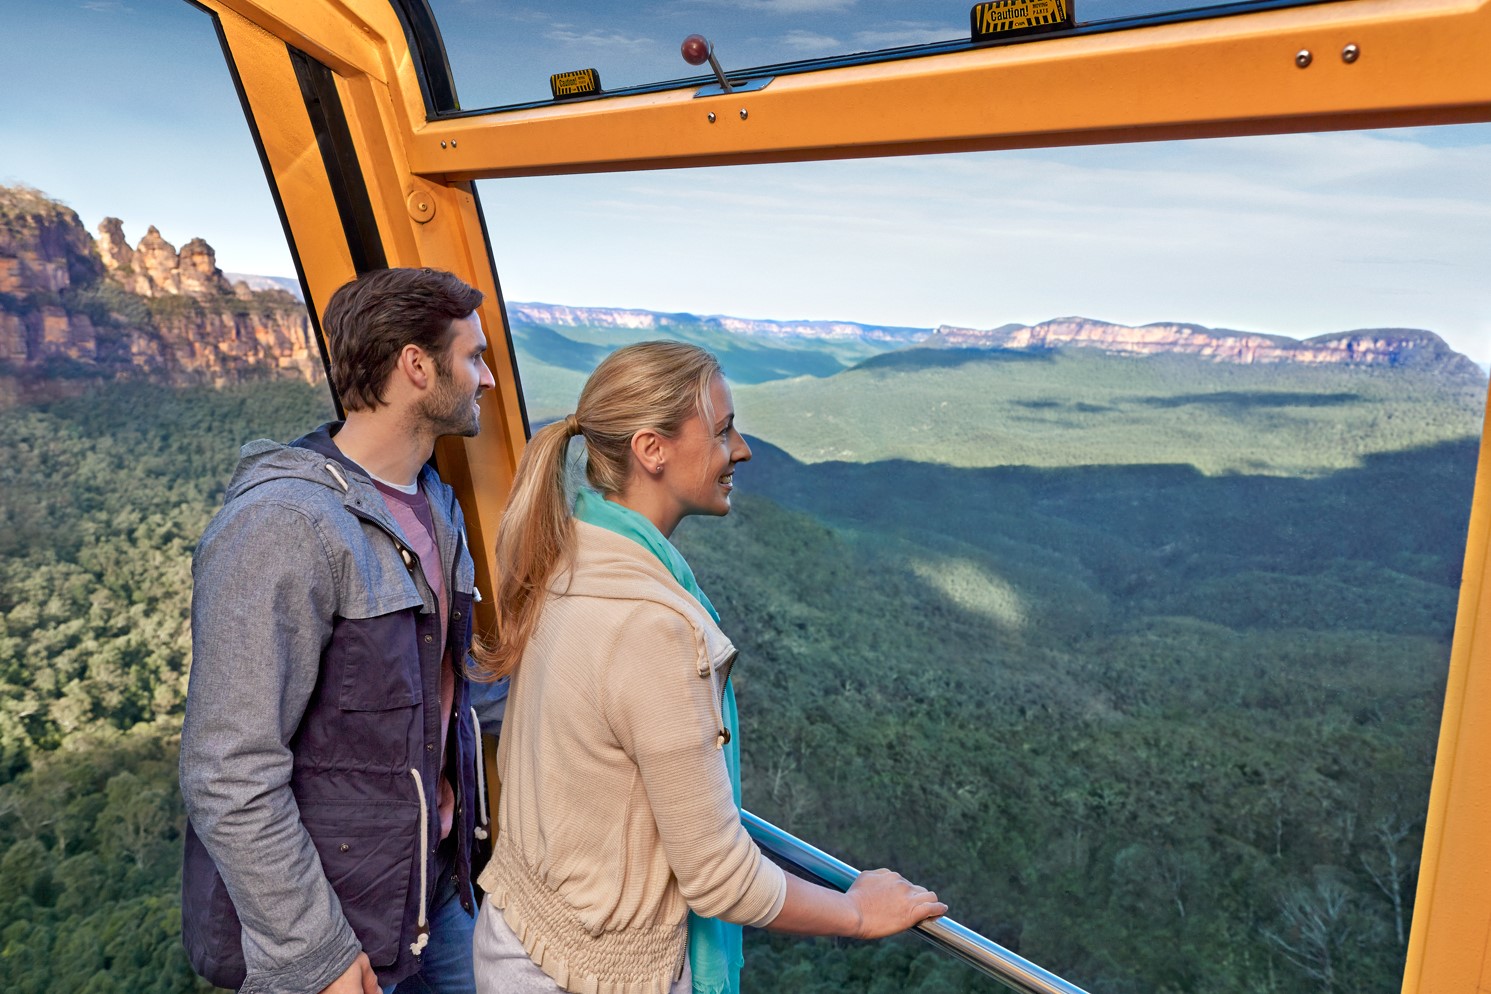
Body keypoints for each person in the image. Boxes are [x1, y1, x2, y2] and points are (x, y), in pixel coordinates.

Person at [470, 341, 946, 994]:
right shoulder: (650, 627)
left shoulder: (573, 555)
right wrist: (858, 912)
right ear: (651, 449)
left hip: (527, 933)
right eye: (722, 432)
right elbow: (719, 878)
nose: (741, 451)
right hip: (591, 973)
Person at [180, 267, 503, 994]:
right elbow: (228, 769)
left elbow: (450, 682)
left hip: (430, 893)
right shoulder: (284, 526)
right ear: (416, 367)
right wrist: (312, 951)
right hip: (335, 926)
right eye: (473, 357)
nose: (485, 380)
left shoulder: (433, 505)